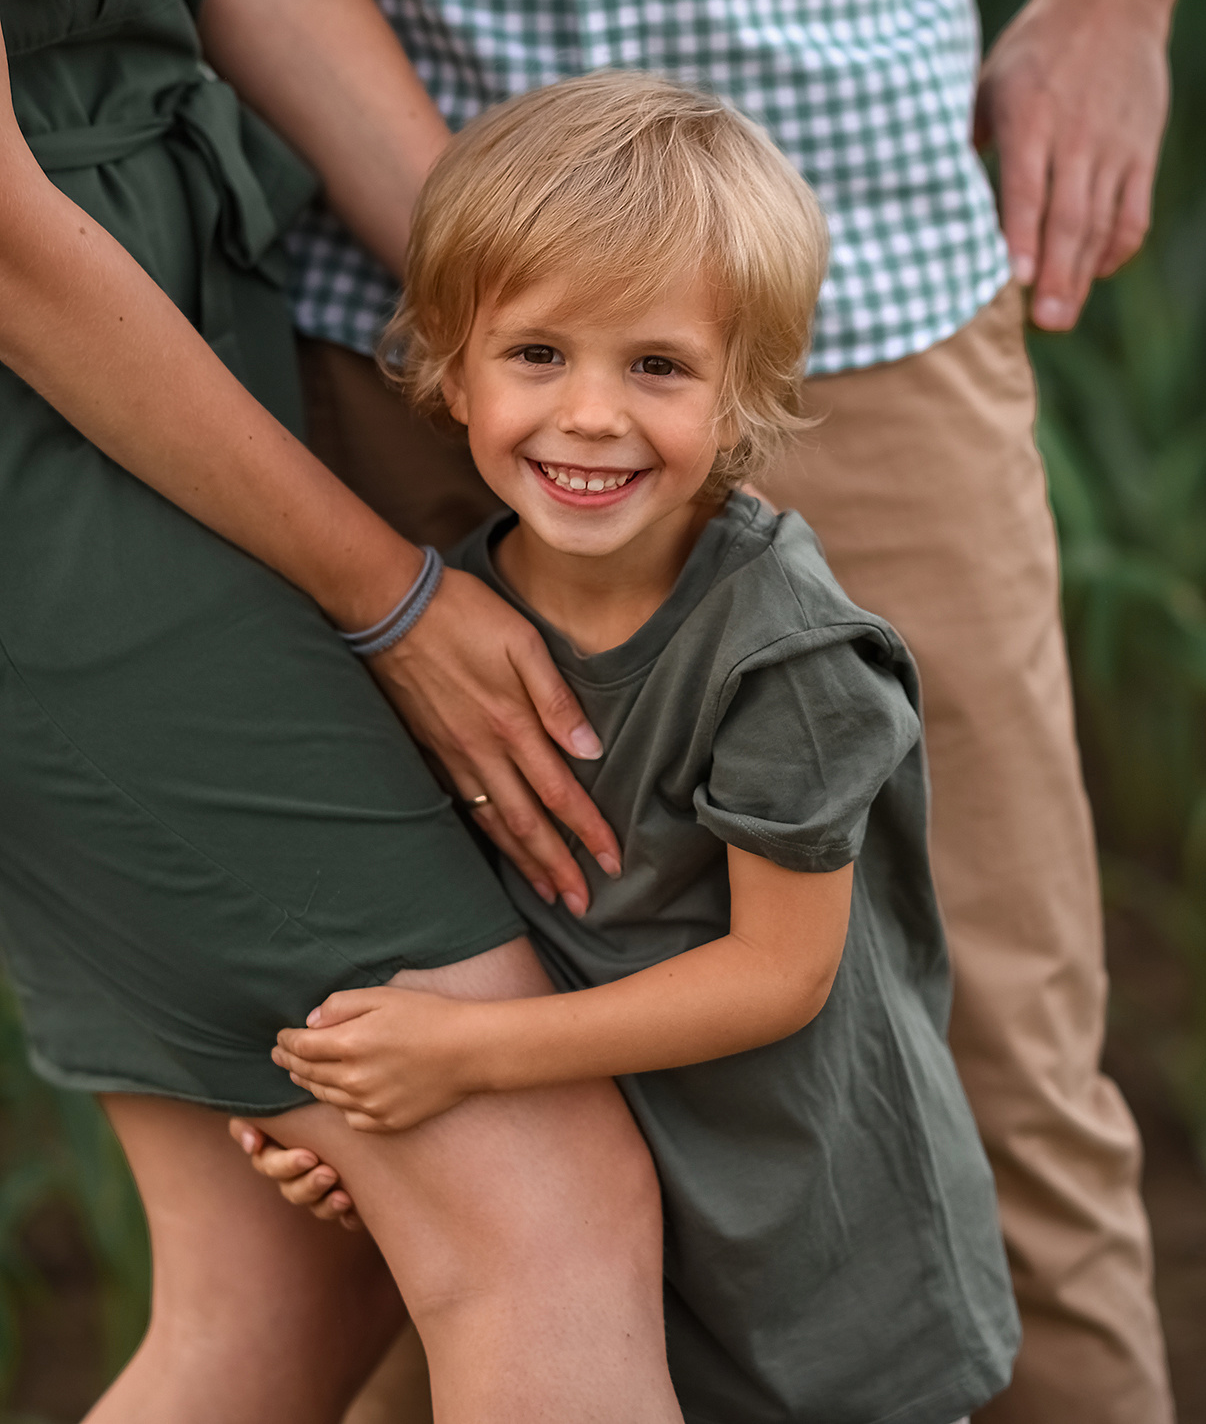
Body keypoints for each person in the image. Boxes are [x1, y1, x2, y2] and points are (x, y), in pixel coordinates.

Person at [237, 0, 1206, 1416]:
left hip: (844, 284)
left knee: (991, 1077)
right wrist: (490, 304)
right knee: (421, 1150)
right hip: (401, 317)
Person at [0, 0, 684, 1421]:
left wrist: (544, 349)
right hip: (42, 461)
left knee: (282, 1287)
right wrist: (386, 589)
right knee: (544, 1202)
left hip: (173, 367)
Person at [268, 70, 1021, 1424]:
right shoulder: (452, 635)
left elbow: (777, 975)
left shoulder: (780, 653)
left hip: (811, 1241)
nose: (593, 415)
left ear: (747, 392)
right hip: (606, 1237)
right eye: (539, 354)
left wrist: (458, 1059)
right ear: (449, 361)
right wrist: (355, 1120)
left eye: (657, 365)